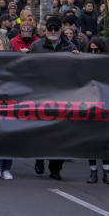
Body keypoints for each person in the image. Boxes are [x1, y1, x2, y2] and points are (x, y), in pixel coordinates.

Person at [30, 15, 79, 180]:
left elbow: (77, 71)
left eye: (55, 29)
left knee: (61, 133)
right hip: (41, 95)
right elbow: (26, 67)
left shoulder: (69, 46)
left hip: (62, 97)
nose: (52, 31)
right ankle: (39, 157)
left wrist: (78, 59)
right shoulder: (36, 46)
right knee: (42, 131)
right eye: (49, 29)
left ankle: (56, 167)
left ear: (60, 30)